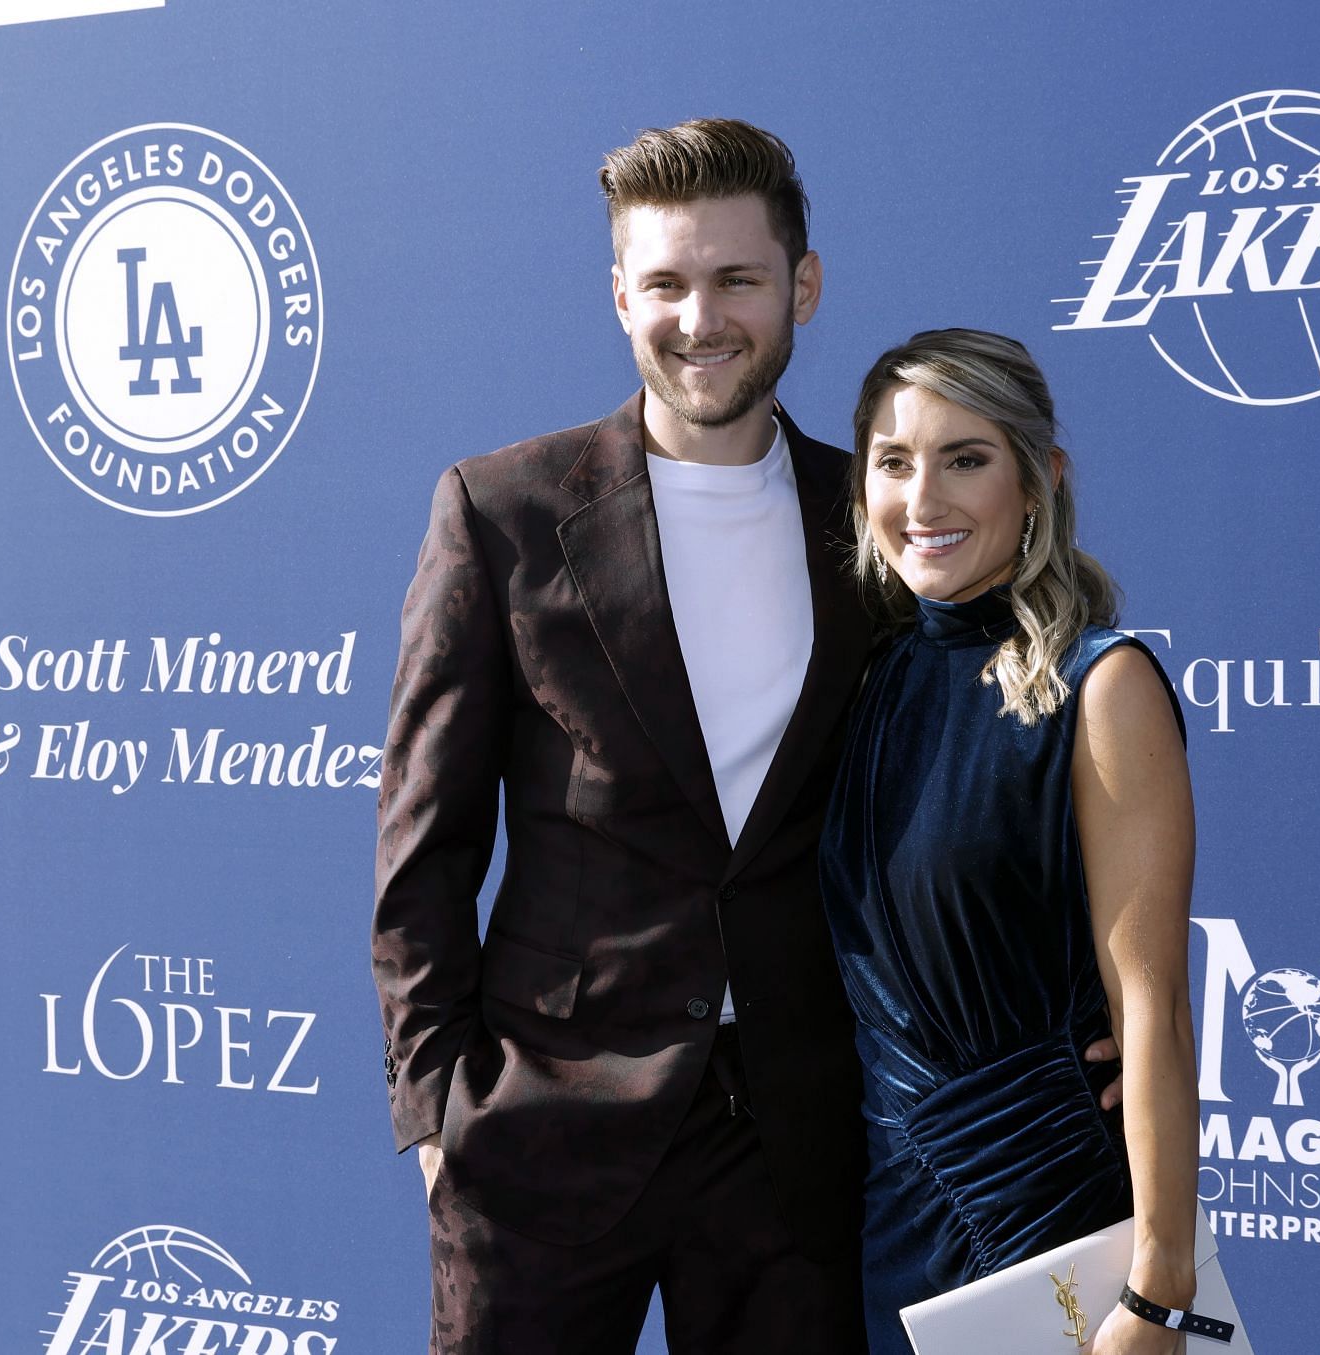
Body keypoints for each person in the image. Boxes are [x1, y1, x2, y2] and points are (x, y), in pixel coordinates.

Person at [371, 118, 875, 1355]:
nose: (699, 318)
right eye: (664, 283)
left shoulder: (874, 519)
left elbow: (959, 802)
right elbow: (423, 840)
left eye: (736, 279)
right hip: (542, 1129)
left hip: (794, 1145)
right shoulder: (502, 511)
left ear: (801, 286)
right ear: (618, 296)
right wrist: (436, 1111)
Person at [819, 329, 1200, 1354]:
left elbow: (1152, 1001)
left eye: (967, 458)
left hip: (1052, 1215)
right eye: (894, 462)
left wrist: (1161, 1283)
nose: (924, 498)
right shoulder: (872, 681)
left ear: (1040, 479)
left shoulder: (1102, 685)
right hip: (893, 1219)